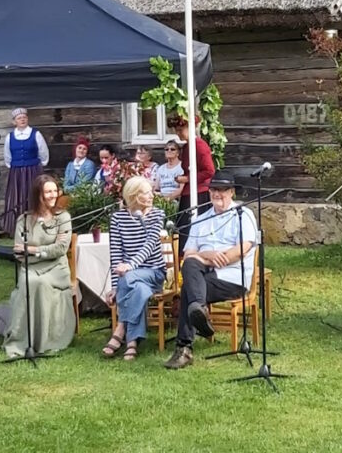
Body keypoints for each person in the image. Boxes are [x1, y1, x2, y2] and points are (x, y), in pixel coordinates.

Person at [163, 170, 257, 369]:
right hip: (203, 274)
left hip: (232, 278)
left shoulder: (243, 214)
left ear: (232, 192)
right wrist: (209, 255)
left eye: (222, 190)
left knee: (190, 288)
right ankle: (199, 310)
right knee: (189, 266)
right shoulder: (200, 218)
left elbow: (242, 249)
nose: (217, 194)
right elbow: (188, 255)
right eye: (214, 189)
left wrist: (209, 257)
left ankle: (184, 348)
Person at [2, 174, 76, 358]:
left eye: (54, 191)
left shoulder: (63, 217)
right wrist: (41, 252)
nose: (52, 195)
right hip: (31, 268)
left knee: (41, 283)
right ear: (38, 195)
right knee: (31, 282)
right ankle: (24, 341)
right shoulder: (24, 220)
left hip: (56, 269)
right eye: (47, 192)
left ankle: (45, 341)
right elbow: (19, 253)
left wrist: (34, 250)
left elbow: (60, 249)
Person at [102, 176, 167, 361]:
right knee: (137, 289)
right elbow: (116, 253)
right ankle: (132, 342)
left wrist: (130, 266)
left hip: (154, 272)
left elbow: (149, 246)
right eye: (146, 192)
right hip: (131, 279)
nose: (152, 195)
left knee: (128, 277)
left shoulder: (157, 215)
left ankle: (121, 327)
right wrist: (115, 287)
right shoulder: (117, 218)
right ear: (134, 196)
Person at [169, 115, 216, 253]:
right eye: (176, 130)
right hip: (189, 192)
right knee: (184, 228)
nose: (178, 133)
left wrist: (187, 179)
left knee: (192, 227)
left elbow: (209, 171)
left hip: (199, 192)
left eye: (180, 130)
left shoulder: (200, 146)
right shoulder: (188, 146)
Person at [2, 107, 49, 237]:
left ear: (27, 119)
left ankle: (36, 227)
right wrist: (16, 167)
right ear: (14, 121)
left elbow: (44, 154)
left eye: (24, 117)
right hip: (16, 172)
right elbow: (7, 157)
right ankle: (16, 229)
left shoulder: (36, 134)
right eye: (19, 118)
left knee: (33, 196)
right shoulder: (10, 137)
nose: (22, 119)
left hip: (33, 170)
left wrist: (37, 166)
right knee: (17, 198)